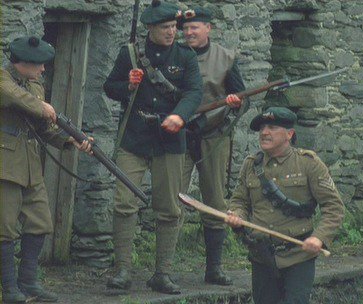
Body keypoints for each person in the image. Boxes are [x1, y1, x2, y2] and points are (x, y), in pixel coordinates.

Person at [103, 0, 203, 295]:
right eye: (165, 28)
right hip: (134, 138)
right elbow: (110, 87)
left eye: (174, 27)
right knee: (124, 203)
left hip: (170, 141)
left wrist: (179, 116)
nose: (172, 32)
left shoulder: (185, 56)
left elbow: (194, 91)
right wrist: (129, 86)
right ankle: (122, 270)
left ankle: (163, 273)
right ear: (150, 29)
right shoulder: (130, 54)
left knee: (170, 208)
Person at [0, 36, 92, 303]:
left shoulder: (35, 86)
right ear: (24, 63)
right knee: (5, 227)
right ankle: (10, 291)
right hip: (5, 164)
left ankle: (28, 283)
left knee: (40, 221)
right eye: (39, 65)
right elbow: (13, 96)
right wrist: (41, 106)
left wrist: (70, 139)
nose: (43, 70)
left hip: (30, 163)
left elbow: (44, 128)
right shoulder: (4, 79)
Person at [225, 107, 345, 304]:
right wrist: (236, 215)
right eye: (262, 128)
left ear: (289, 134)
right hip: (262, 255)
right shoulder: (251, 165)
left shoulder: (308, 164)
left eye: (272, 127)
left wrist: (319, 238)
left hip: (298, 255)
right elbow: (239, 201)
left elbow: (334, 207)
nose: (264, 132)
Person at [178, 6, 246, 286]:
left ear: (208, 29)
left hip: (213, 136)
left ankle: (214, 268)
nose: (189, 32)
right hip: (180, 135)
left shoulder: (226, 58)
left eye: (195, 28)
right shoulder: (176, 56)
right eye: (186, 29)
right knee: (173, 199)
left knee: (215, 201)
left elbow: (243, 97)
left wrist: (234, 103)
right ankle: (164, 270)